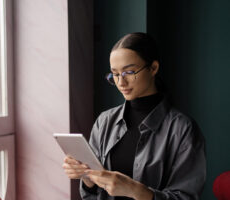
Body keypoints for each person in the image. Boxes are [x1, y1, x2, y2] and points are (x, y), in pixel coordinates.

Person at [62, 32, 206, 200]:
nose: (121, 83)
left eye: (129, 72)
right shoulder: (104, 121)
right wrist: (86, 177)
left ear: (153, 68)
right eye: (115, 74)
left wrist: (135, 191)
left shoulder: (183, 129)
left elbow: (186, 197)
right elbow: (92, 195)